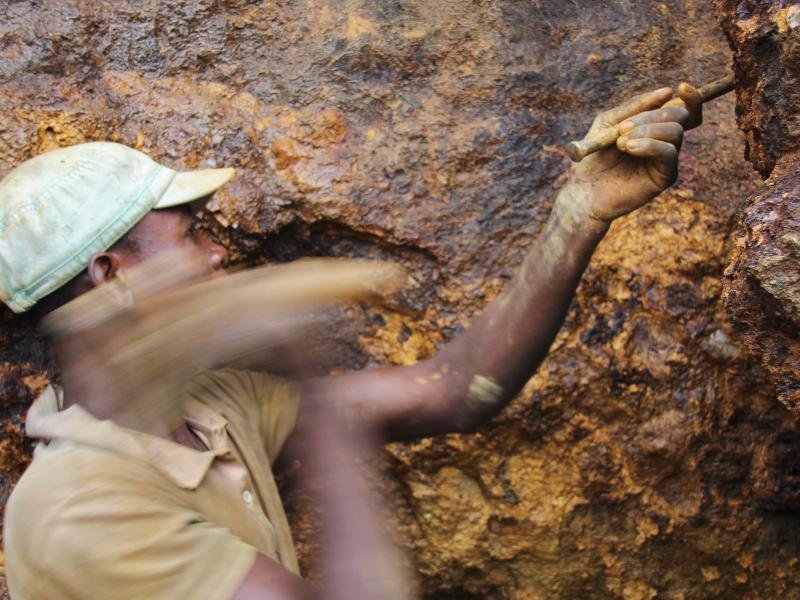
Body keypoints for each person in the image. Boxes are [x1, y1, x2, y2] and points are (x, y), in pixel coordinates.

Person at [2, 85, 700, 599]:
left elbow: (455, 393)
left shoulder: (205, 409)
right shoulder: (78, 510)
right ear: (112, 276)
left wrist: (578, 213)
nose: (218, 258)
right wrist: (293, 358)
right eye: (191, 236)